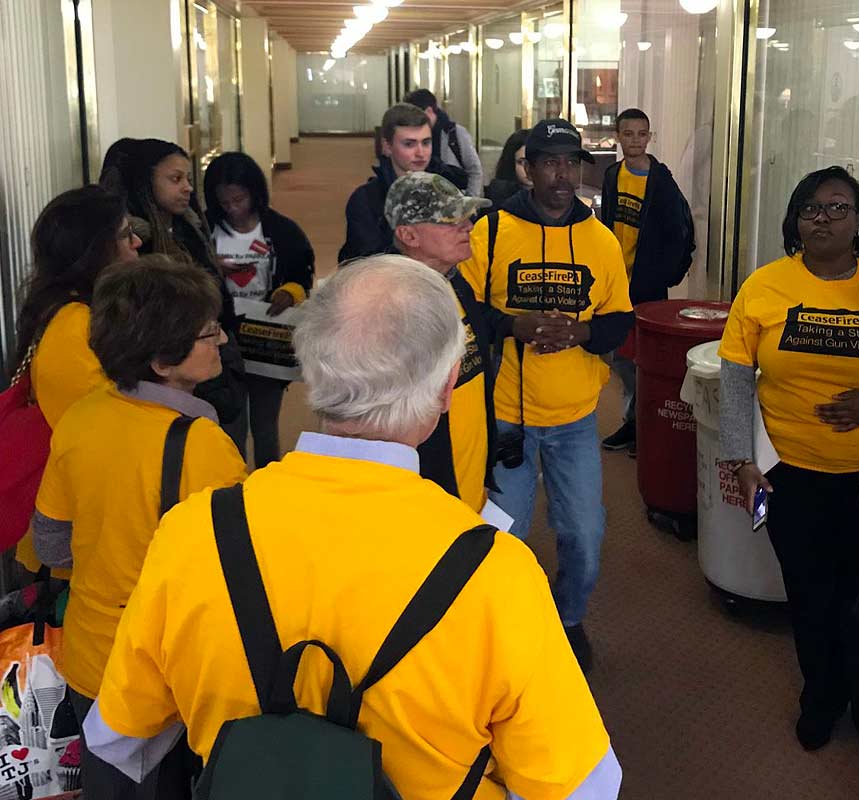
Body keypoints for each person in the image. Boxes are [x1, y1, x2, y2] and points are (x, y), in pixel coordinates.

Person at [84, 256, 622, 800]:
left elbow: (120, 740)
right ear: (447, 385)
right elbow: (582, 788)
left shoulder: (193, 532)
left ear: (311, 371)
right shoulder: (496, 572)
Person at [717, 165, 859, 751]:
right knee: (809, 596)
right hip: (790, 475)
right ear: (794, 222)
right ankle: (822, 696)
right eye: (811, 208)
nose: (823, 218)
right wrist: (741, 459)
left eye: (838, 207)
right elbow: (735, 379)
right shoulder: (765, 287)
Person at [33, 254, 246, 798]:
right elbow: (235, 571)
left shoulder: (81, 417)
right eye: (208, 332)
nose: (220, 340)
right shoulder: (203, 447)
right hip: (163, 673)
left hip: (89, 657)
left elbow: (51, 541)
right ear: (161, 360)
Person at [460, 118, 634, 672]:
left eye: (571, 164)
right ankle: (494, 633)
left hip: (576, 418)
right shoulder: (488, 233)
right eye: (550, 164)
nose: (562, 176)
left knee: (583, 533)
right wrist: (515, 325)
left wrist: (579, 332)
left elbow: (619, 322)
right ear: (528, 169)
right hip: (505, 415)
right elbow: (466, 314)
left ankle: (567, 618)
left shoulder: (600, 241)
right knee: (495, 536)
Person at [9, 185, 142, 577]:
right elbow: (112, 438)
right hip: (74, 552)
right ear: (93, 249)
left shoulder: (87, 315)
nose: (136, 242)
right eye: (124, 234)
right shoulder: (73, 330)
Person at [99, 138, 247, 435]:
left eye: (189, 179)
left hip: (214, 355)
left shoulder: (187, 227)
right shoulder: (136, 249)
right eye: (175, 179)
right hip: (176, 379)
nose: (187, 188)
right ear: (144, 183)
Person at [384, 171, 495, 512]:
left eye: (466, 216)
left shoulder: (456, 283)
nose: (468, 226)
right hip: (431, 494)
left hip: (471, 479)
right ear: (408, 234)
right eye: (451, 220)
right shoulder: (395, 308)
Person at [203, 151, 315, 467]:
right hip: (221, 339)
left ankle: (267, 482)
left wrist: (289, 293)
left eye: (239, 199)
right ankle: (233, 484)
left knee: (265, 425)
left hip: (266, 336)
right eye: (224, 202)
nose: (233, 208)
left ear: (254, 192)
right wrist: (214, 270)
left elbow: (301, 273)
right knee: (230, 424)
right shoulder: (204, 231)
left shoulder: (282, 231)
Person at [599, 108, 696, 455]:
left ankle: (644, 426)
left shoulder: (661, 180)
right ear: (618, 136)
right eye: (628, 134)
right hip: (617, 282)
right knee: (622, 356)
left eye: (642, 134)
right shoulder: (612, 175)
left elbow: (680, 229)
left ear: (650, 137)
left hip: (648, 284)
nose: (635, 141)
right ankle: (632, 421)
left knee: (645, 356)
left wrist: (669, 272)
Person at [339, 103, 467, 262]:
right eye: (409, 144)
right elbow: (366, 262)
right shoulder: (366, 200)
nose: (421, 153)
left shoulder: (450, 189)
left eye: (426, 142)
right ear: (387, 147)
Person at [405, 89, 485, 197]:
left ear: (429, 111)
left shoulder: (455, 133)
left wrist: (471, 203)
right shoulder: (412, 135)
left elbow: (474, 170)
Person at [484, 128, 532, 207]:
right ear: (511, 163)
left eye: (534, 162)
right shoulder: (498, 192)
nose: (528, 169)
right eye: (522, 162)